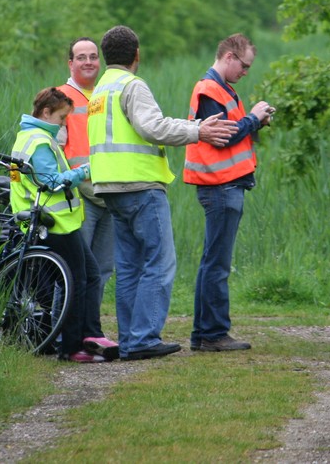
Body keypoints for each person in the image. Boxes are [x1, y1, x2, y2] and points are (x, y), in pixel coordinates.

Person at [87, 25, 237, 361]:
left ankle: (130, 340)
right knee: (159, 262)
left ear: (106, 55)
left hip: (108, 187)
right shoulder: (132, 85)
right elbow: (152, 127)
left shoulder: (100, 91)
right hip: (140, 185)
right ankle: (144, 339)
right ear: (137, 54)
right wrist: (198, 131)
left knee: (129, 267)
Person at [10, 87, 119, 363]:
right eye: (61, 118)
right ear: (46, 113)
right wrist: (85, 171)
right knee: (77, 280)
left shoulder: (29, 136)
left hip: (59, 222)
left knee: (90, 275)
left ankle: (90, 335)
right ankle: (71, 347)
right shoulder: (39, 141)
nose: (62, 124)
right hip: (53, 222)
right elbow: (51, 182)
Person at [184, 34, 273, 352]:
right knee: (216, 265)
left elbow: (232, 133)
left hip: (224, 185)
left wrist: (255, 123)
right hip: (221, 186)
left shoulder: (222, 89)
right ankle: (212, 334)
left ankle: (204, 334)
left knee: (213, 262)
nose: (245, 72)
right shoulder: (210, 90)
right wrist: (253, 119)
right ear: (230, 57)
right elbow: (224, 137)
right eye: (244, 66)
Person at [56, 37, 115, 307]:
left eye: (93, 56)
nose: (88, 62)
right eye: (81, 57)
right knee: (73, 271)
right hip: (79, 197)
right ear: (70, 63)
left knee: (101, 271)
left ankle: (90, 327)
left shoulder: (106, 94)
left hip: (109, 194)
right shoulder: (60, 98)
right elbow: (54, 150)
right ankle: (63, 328)